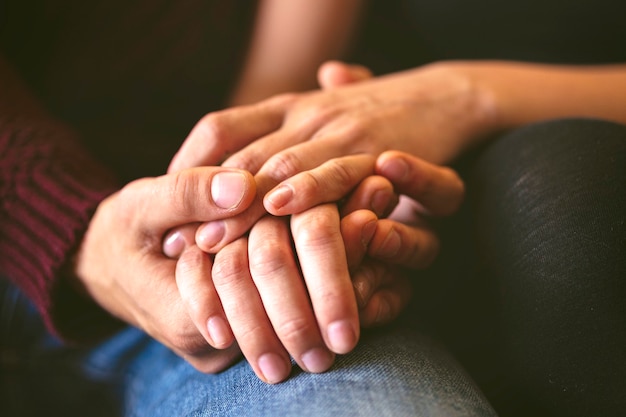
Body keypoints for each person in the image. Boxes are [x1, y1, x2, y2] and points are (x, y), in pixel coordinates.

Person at [1, 1, 496, 416]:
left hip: (202, 265)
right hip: (122, 236)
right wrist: (80, 232)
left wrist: (252, 185)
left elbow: (256, 132)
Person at [164, 2, 626, 417]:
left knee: (573, 209)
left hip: (473, 137)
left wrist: (464, 95)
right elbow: (277, 98)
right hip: (393, 162)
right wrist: (251, 201)